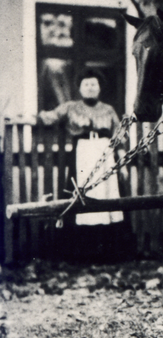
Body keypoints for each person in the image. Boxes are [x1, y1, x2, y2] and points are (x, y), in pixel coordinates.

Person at [36, 69, 124, 226]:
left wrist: (122, 156)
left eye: (93, 84)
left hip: (105, 153)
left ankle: (107, 234)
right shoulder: (71, 107)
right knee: (80, 191)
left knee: (107, 192)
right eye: (86, 84)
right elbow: (50, 117)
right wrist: (31, 118)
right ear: (80, 88)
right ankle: (83, 237)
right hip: (82, 151)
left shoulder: (108, 109)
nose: (90, 87)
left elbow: (119, 133)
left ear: (99, 87)